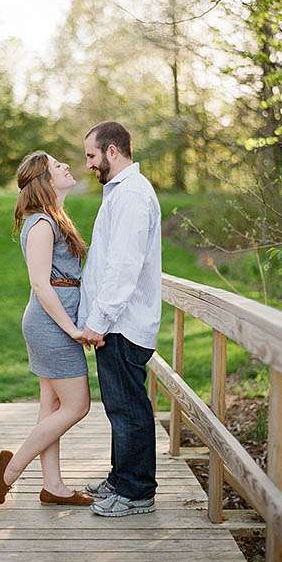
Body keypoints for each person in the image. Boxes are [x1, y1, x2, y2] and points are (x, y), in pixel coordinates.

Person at [0, 151, 94, 507]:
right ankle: (12, 469)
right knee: (77, 405)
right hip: (51, 325)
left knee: (52, 405)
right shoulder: (41, 224)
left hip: (54, 323)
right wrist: (71, 329)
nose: (66, 166)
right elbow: (40, 284)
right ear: (44, 180)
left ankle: (53, 485)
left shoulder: (53, 219)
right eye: (56, 166)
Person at [77, 120, 163, 517]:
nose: (88, 164)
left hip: (123, 323)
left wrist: (99, 319)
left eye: (92, 155)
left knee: (129, 408)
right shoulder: (120, 193)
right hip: (116, 322)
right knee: (120, 406)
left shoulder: (131, 196)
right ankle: (120, 477)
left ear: (113, 151)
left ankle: (137, 491)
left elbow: (124, 267)